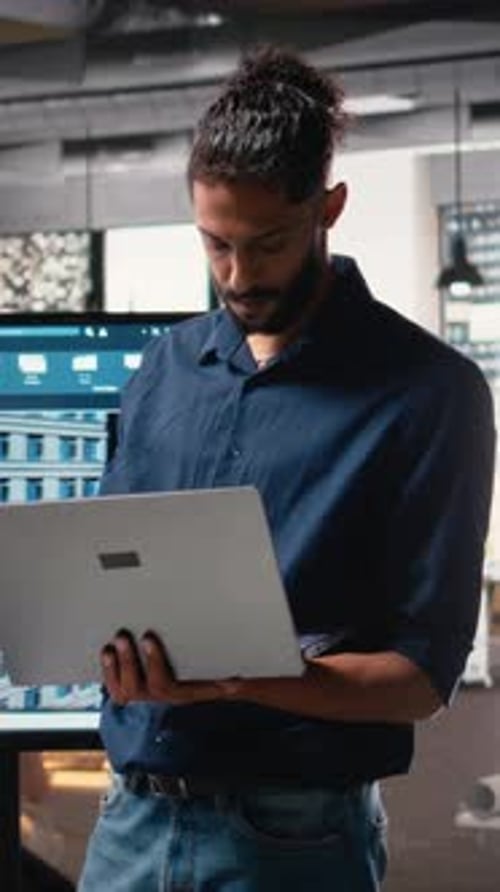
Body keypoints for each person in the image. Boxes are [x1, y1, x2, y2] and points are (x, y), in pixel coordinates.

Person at [78, 45, 495, 891]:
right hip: (127, 822)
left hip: (290, 842)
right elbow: (106, 571)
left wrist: (247, 675)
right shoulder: (163, 368)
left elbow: (418, 679)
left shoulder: (428, 392)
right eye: (214, 244)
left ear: (328, 207)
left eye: (266, 245)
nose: (236, 275)